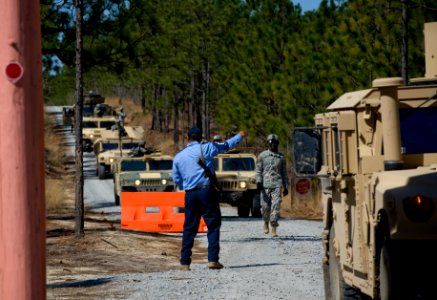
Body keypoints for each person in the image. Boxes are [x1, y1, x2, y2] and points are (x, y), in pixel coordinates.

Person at [172, 127, 247, 271]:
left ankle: (184, 262)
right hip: (206, 191)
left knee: (189, 227)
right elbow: (225, 146)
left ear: (187, 138)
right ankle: (212, 260)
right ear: (201, 138)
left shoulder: (179, 156)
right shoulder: (206, 148)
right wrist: (239, 136)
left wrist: (186, 185)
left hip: (190, 194)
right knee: (212, 225)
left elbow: (176, 178)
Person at [255, 134, 288, 237]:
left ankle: (274, 227)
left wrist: (285, 186)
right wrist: (258, 181)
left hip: (277, 185)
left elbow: (284, 173)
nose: (273, 145)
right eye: (271, 143)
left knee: (276, 206)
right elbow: (258, 170)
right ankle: (265, 222)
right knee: (265, 207)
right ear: (268, 144)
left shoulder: (281, 157)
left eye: (274, 144)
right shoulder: (262, 156)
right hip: (265, 185)